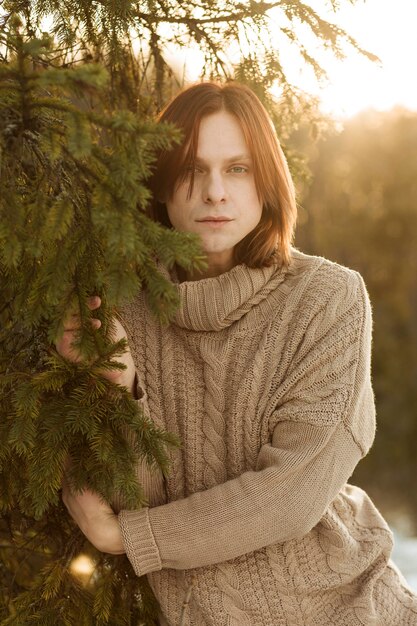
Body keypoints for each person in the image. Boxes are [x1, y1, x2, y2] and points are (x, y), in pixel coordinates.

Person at [60, 82, 417, 625]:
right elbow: (136, 490)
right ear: (160, 183)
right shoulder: (121, 309)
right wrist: (122, 388)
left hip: (350, 609)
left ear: (268, 183)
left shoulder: (327, 298)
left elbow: (293, 493)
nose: (214, 192)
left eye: (238, 168)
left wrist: (126, 537)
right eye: (191, 169)